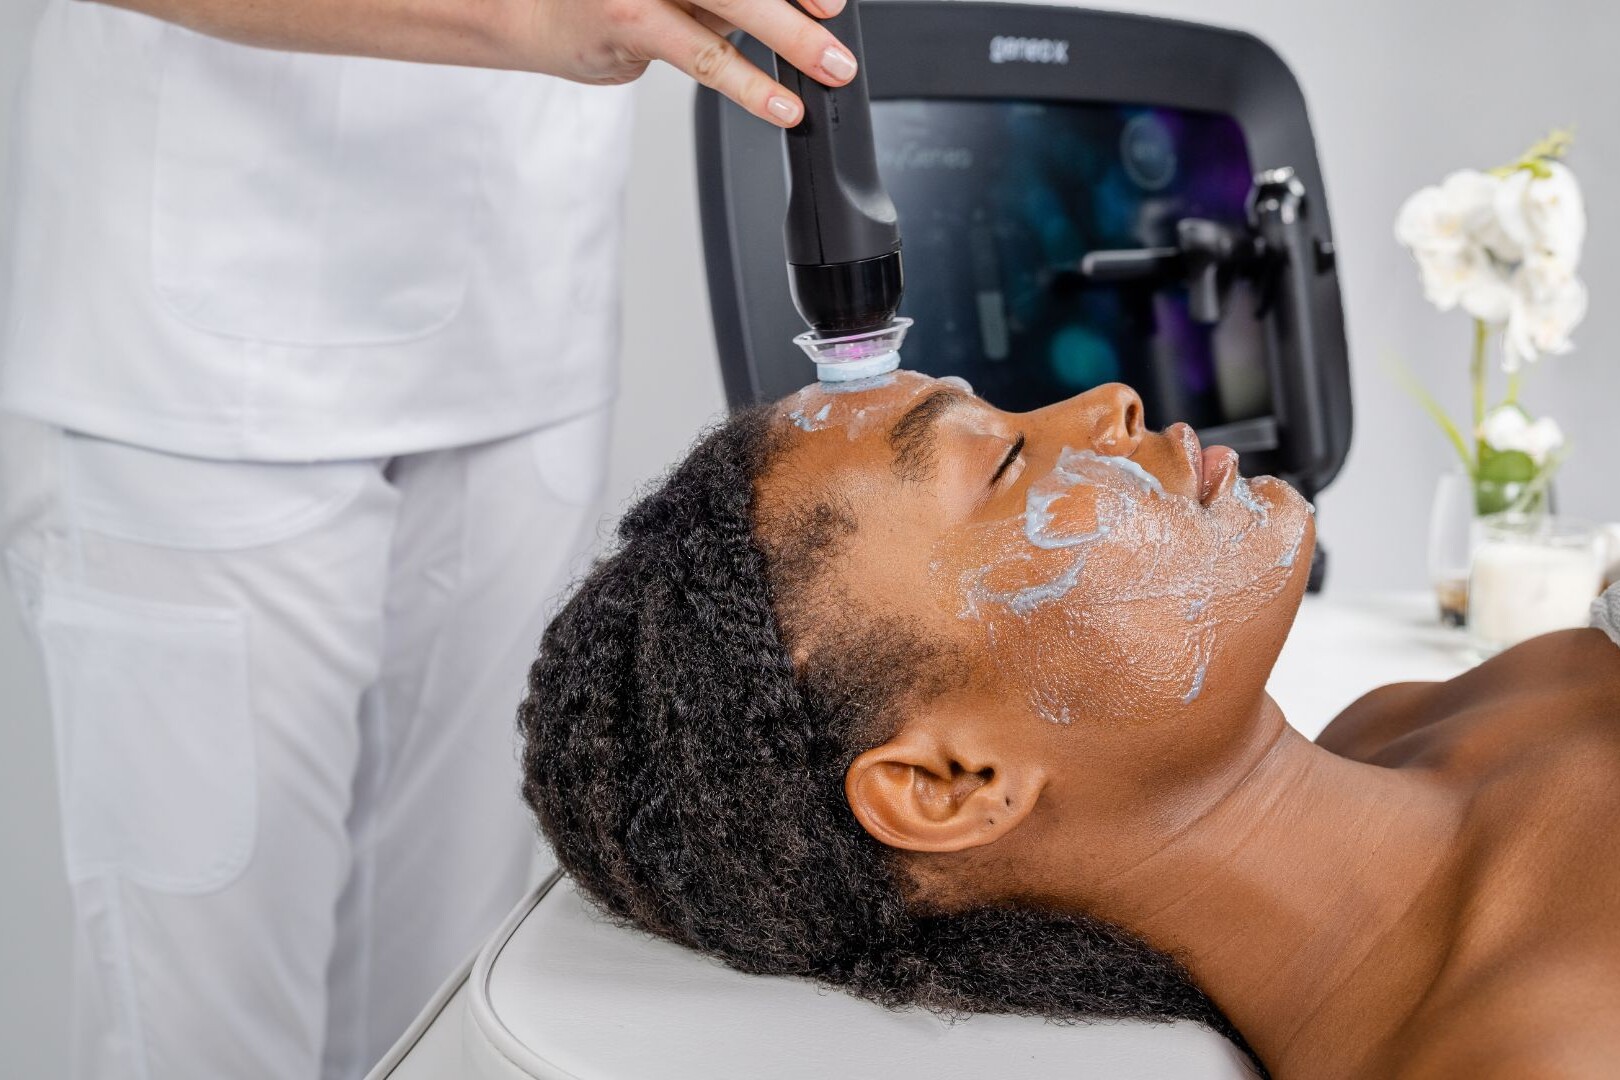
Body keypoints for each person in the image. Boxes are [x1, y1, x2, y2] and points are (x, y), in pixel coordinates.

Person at [0, 0, 858, 1076]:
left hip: (520, 322)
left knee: (447, 1014)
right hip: (205, 368)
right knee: (201, 1048)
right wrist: (519, 15)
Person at [521, 371, 1620, 1080]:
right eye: (1000, 462)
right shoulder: (1533, 1048)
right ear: (952, 781)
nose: (1108, 405)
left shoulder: (1409, 723)